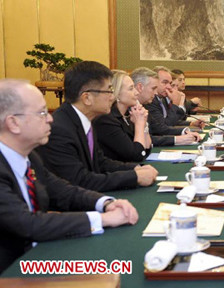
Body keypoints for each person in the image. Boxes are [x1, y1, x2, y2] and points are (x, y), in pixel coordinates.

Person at [0, 79, 138, 272]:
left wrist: (105, 203)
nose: (50, 118)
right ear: (13, 123)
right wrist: (103, 219)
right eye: (42, 113)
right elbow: (28, 223)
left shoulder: (29, 155)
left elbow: (62, 190)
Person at [37, 61, 158, 192]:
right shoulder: (59, 129)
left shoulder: (85, 119)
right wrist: (134, 177)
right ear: (87, 98)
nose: (112, 97)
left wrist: (135, 169)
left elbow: (100, 162)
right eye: (109, 91)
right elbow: (80, 181)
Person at [93, 70, 152, 162]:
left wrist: (144, 124)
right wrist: (139, 124)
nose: (137, 92)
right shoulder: (106, 120)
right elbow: (137, 155)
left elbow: (146, 151)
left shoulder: (128, 116)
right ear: (117, 94)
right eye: (131, 88)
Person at [130, 67, 200, 145]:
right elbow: (162, 128)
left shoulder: (146, 103)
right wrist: (175, 104)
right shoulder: (146, 104)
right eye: (164, 82)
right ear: (140, 87)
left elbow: (159, 128)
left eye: (170, 83)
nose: (170, 87)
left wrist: (185, 131)